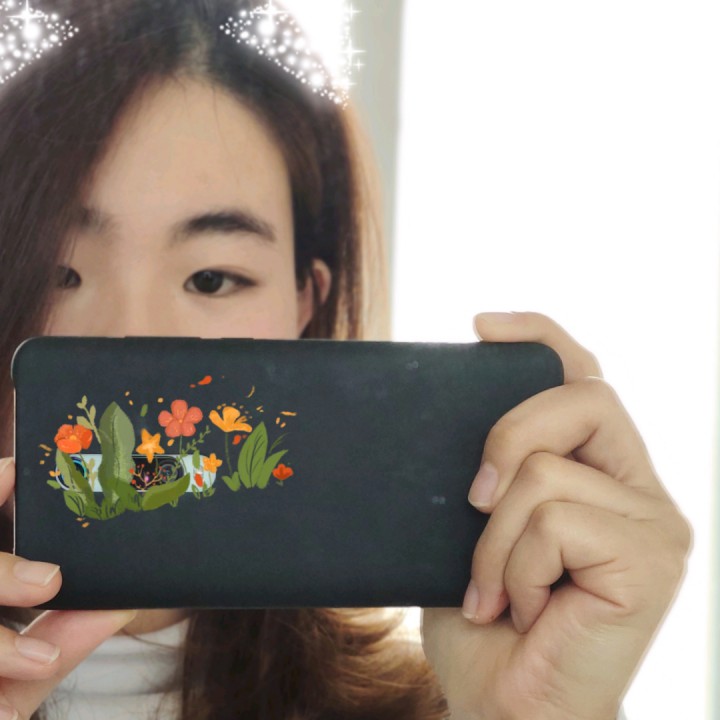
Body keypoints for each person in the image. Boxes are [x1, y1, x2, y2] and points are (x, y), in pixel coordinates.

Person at [0, 0, 691, 718]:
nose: (133, 336)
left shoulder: (437, 703)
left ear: (307, 305)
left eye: (211, 279)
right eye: (56, 272)